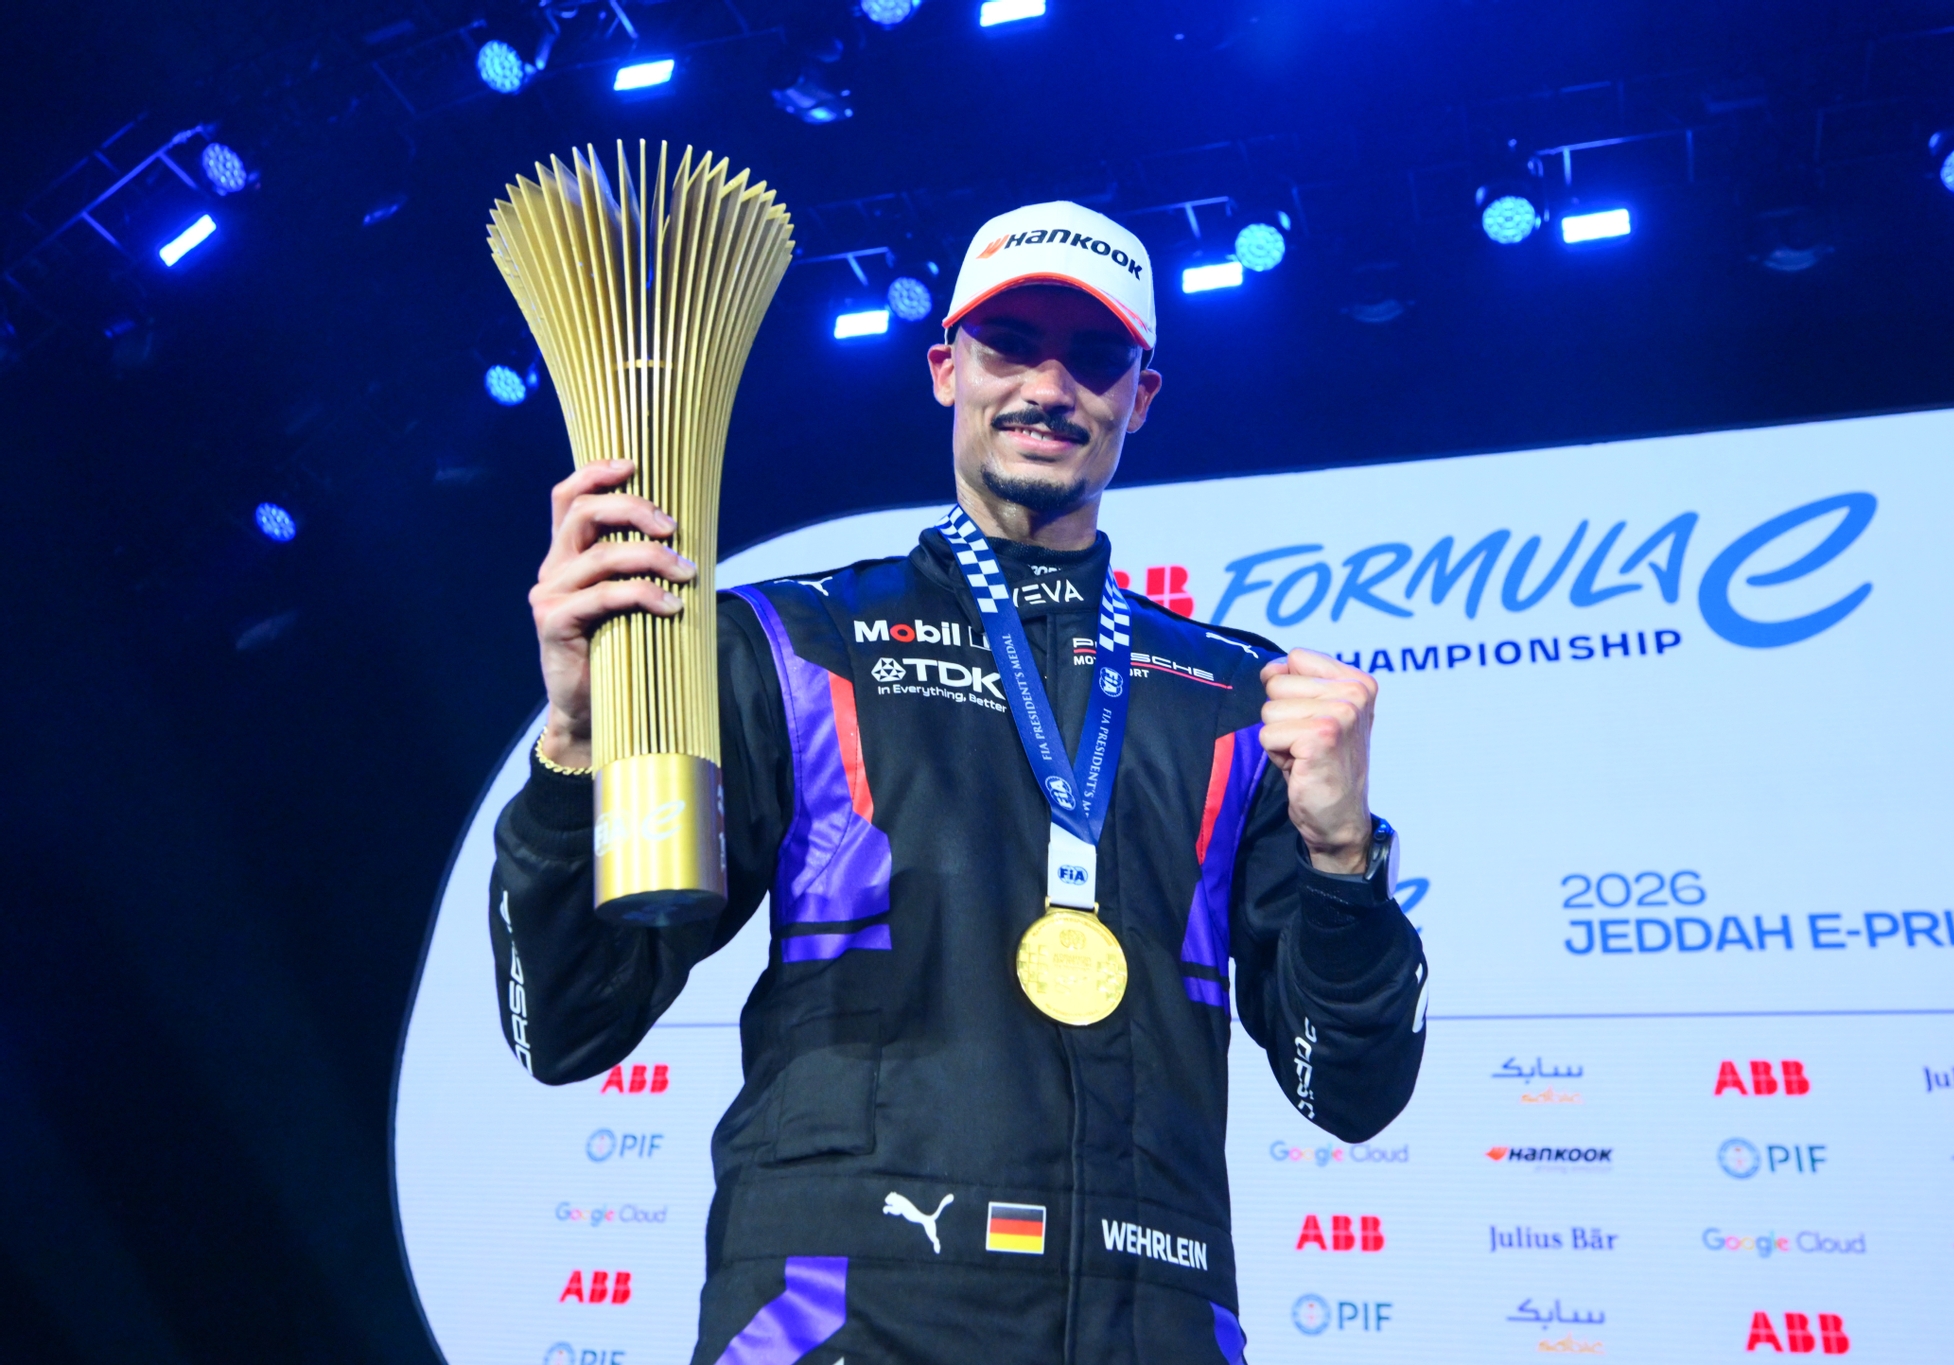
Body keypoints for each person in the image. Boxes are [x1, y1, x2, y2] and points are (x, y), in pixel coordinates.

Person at [491, 200, 1428, 1365]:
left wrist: (1343, 860)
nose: (1048, 384)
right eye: (1009, 345)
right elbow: (569, 1020)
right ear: (946, 369)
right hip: (842, 1314)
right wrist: (577, 740)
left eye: (1092, 357)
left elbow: (1349, 1090)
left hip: (1154, 1320)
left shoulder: (1234, 699)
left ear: (1140, 399)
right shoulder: (790, 645)